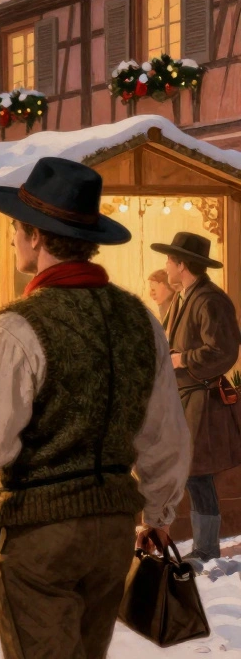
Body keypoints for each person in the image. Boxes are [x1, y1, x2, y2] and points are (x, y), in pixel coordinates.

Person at [0, 158, 190, 659]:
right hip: (112, 532)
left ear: (36, 237)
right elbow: (165, 434)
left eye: (17, 228)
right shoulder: (140, 319)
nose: (12, 238)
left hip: (39, 534)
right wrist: (159, 513)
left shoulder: (16, 326)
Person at [153, 231, 241, 568]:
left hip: (204, 401)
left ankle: (206, 548)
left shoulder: (209, 299)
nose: (166, 267)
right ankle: (205, 546)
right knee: (192, 472)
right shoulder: (185, 297)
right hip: (186, 398)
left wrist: (182, 360)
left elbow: (223, 351)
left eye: (169, 261)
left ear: (182, 265)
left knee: (197, 472)